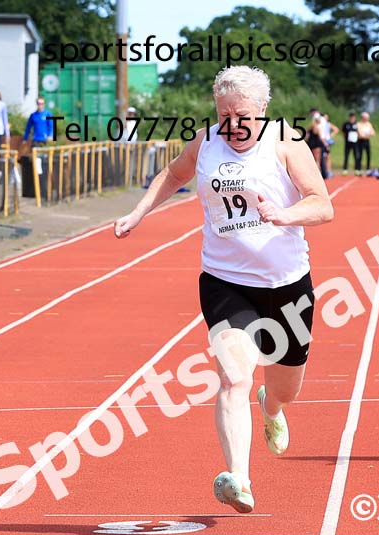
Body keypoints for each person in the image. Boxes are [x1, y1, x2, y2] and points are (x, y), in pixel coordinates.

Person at [113, 65, 333, 512]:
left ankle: (271, 408)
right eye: (225, 114)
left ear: (263, 111)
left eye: (243, 115)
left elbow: (321, 205)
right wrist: (138, 213)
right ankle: (240, 478)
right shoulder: (206, 141)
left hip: (287, 284)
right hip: (226, 282)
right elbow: (174, 175)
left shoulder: (286, 141)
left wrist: (284, 215)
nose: (233, 124)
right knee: (233, 377)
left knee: (286, 386)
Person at [341, 111, 360, 175]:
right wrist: (345, 138)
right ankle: (345, 169)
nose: (352, 118)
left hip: (355, 143)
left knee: (356, 156)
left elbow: (359, 132)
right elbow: (343, 132)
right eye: (351, 116)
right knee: (346, 156)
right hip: (348, 143)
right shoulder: (346, 124)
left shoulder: (357, 124)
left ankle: (357, 169)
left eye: (353, 116)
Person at [322, 113, 339, 177]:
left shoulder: (328, 124)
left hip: (326, 141)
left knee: (327, 157)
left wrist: (329, 136)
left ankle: (328, 171)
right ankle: (325, 171)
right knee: (323, 157)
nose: (326, 118)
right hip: (322, 141)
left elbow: (336, 129)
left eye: (327, 117)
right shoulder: (321, 124)